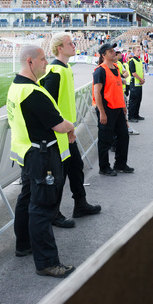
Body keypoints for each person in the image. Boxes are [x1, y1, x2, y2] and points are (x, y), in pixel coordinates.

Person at [7, 44, 76, 278]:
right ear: (30, 62)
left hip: (26, 153)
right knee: (42, 208)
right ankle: (47, 262)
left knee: (26, 200)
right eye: (43, 59)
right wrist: (71, 126)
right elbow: (58, 124)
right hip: (41, 155)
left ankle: (23, 245)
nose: (47, 63)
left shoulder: (16, 87)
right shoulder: (33, 92)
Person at [40, 33, 101, 229]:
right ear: (60, 48)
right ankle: (54, 214)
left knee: (75, 167)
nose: (74, 46)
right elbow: (48, 107)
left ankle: (80, 204)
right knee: (59, 176)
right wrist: (64, 129)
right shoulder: (55, 72)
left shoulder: (64, 69)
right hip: (58, 134)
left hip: (67, 132)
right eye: (70, 43)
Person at [93, 43, 133, 176]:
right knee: (105, 140)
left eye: (114, 51)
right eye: (110, 51)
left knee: (123, 136)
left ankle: (120, 164)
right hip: (107, 110)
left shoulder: (116, 67)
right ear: (104, 55)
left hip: (118, 109)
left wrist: (123, 107)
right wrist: (102, 113)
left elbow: (117, 89)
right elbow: (97, 93)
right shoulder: (100, 70)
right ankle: (104, 167)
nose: (114, 53)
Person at [127, 45, 146, 123]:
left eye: (140, 50)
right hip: (134, 84)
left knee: (138, 100)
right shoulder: (132, 61)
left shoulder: (140, 61)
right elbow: (133, 73)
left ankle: (136, 115)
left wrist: (143, 79)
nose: (139, 52)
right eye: (138, 50)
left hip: (139, 84)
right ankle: (131, 116)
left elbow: (142, 71)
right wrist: (141, 79)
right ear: (134, 52)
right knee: (133, 100)